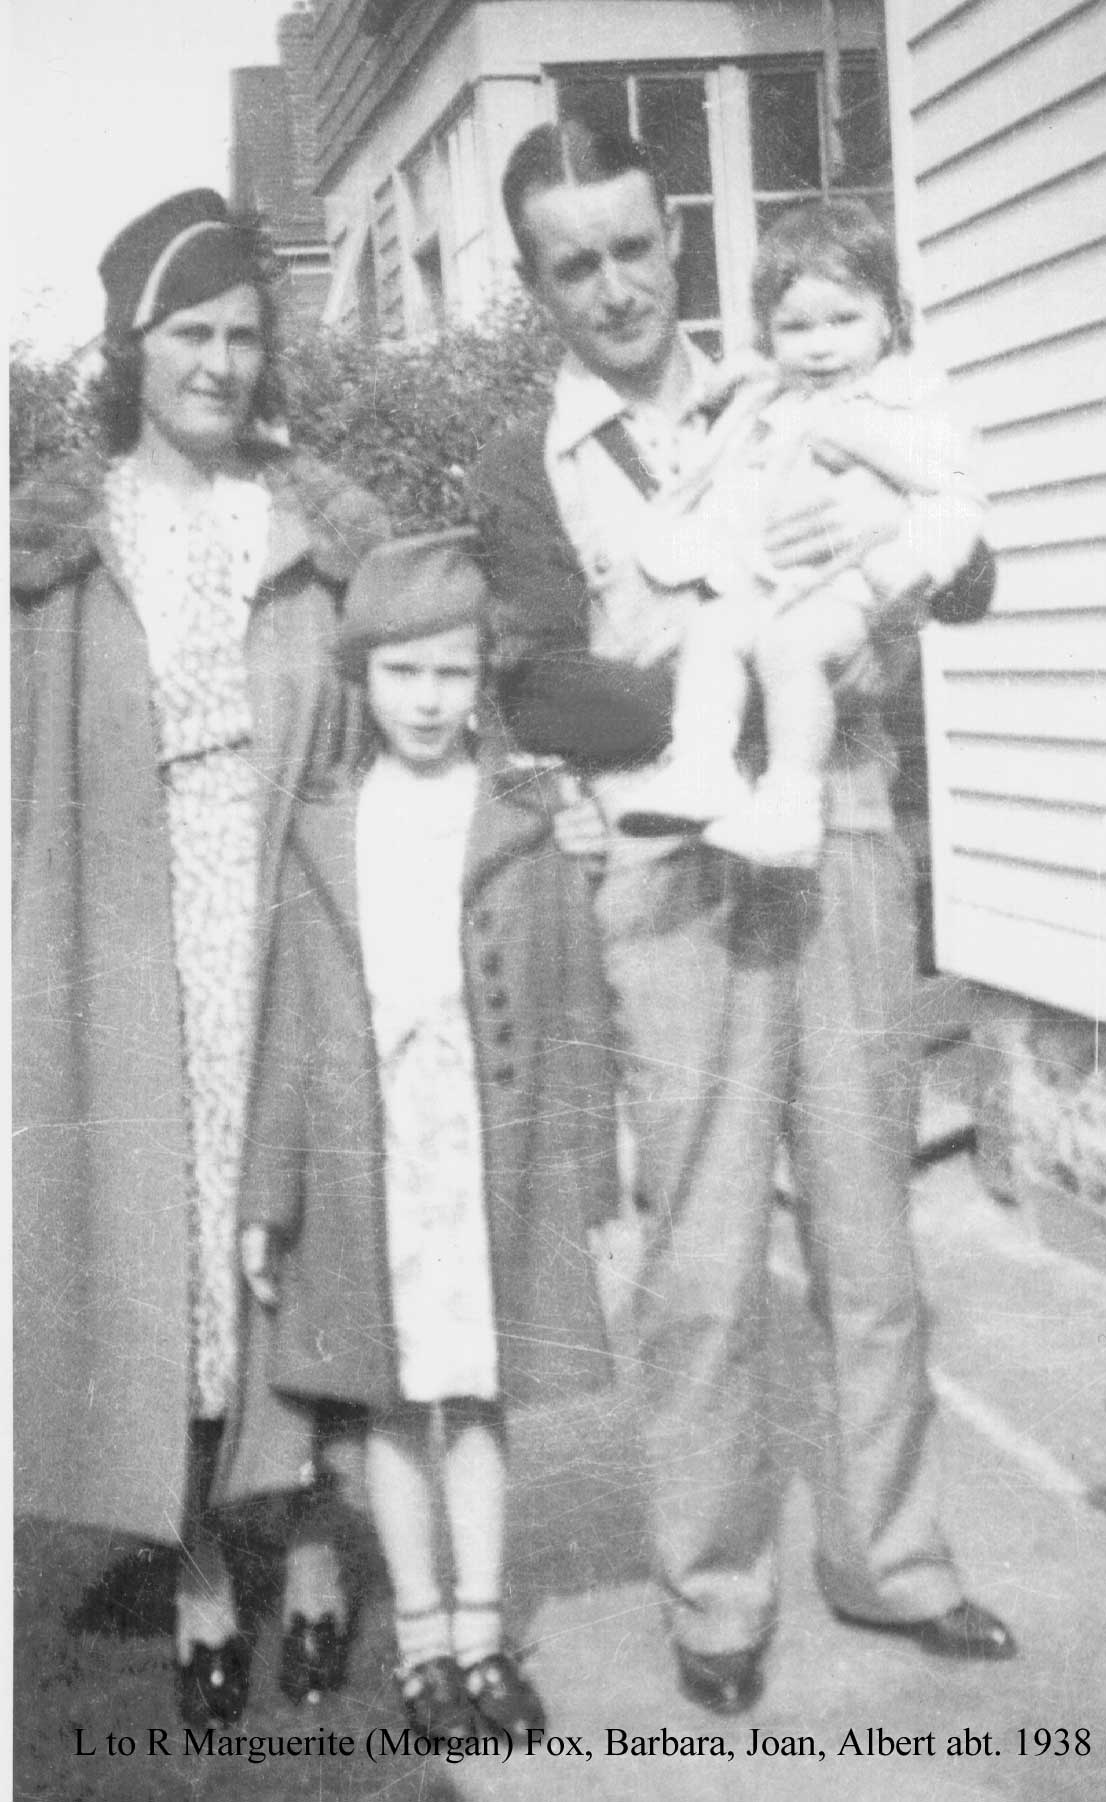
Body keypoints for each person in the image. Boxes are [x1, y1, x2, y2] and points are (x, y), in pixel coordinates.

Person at [469, 118, 1014, 1715]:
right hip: (669, 867)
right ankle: (715, 1594)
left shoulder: (800, 373)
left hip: (841, 833)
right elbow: (539, 683)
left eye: (636, 246)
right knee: (699, 1262)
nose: (616, 284)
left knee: (868, 1234)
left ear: (674, 239)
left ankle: (895, 1560)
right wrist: (730, 679)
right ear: (535, 283)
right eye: (575, 264)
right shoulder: (528, 460)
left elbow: (969, 568)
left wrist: (871, 546)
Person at [11, 188, 389, 1727]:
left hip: (286, 912)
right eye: (191, 335)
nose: (221, 364)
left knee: (285, 1228)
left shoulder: (313, 530)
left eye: (243, 336)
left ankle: (304, 1541)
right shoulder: (59, 545)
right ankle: (195, 1570)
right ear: (133, 346)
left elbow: (379, 738)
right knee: (159, 1240)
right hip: (126, 921)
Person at [230, 532, 619, 1743]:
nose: (428, 699)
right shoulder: (324, 824)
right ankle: (421, 1644)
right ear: (362, 676)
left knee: (479, 1395)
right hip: (368, 1156)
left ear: (481, 682)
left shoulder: (518, 815)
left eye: (452, 674)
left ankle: (484, 1631)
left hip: (480, 1147)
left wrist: (594, 1184)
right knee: (392, 1408)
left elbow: (572, 1007)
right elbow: (292, 1026)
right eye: (403, 673)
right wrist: (268, 1196)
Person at [619, 199, 984, 867]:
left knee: (790, 647)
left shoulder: (903, 406)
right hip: (768, 587)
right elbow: (735, 498)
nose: (819, 345)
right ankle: (703, 765)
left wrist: (913, 558)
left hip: (849, 599)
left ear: (887, 321)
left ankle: (791, 803)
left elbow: (954, 498)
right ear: (767, 333)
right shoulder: (770, 408)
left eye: (843, 320)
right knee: (713, 630)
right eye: (795, 328)